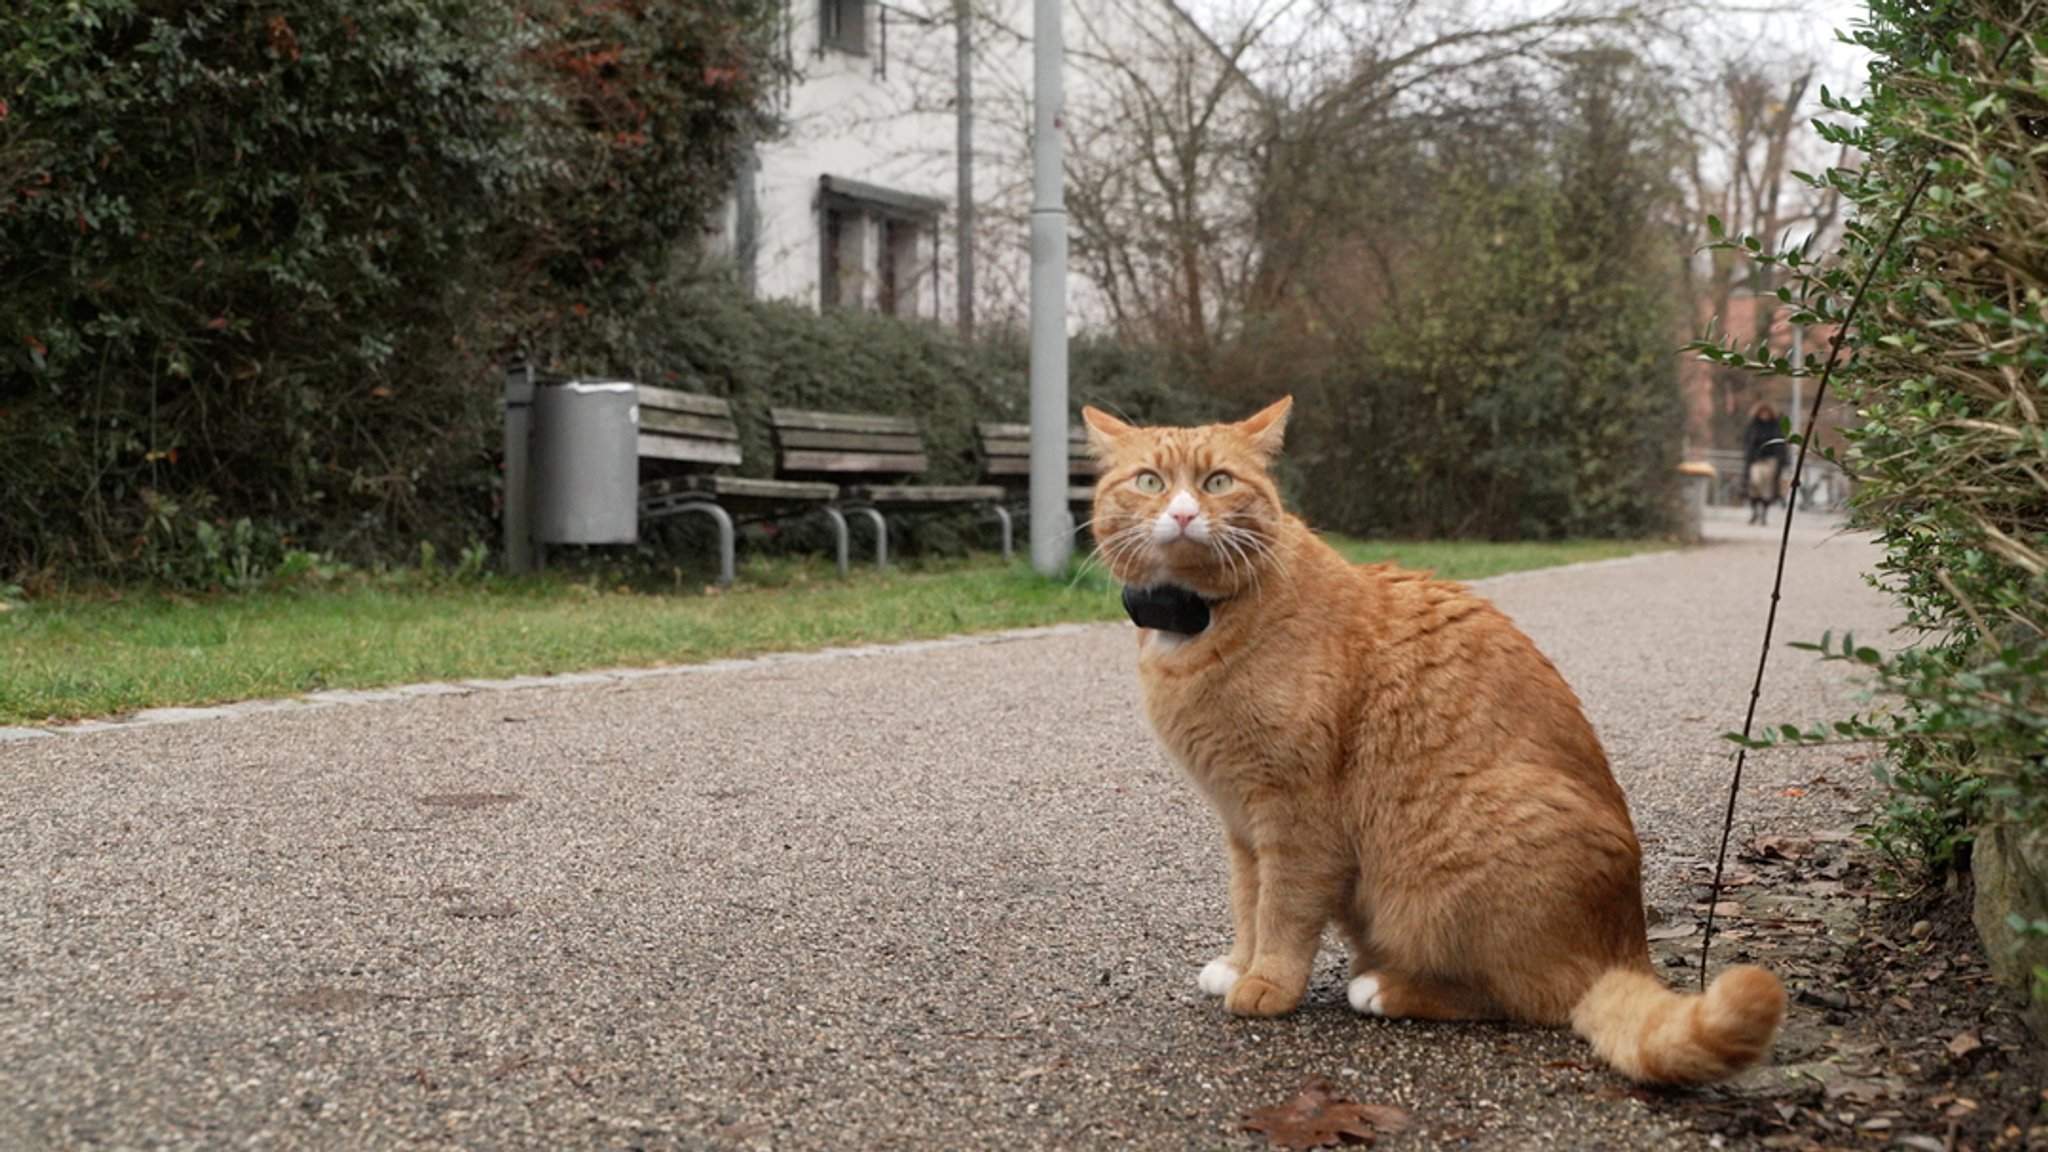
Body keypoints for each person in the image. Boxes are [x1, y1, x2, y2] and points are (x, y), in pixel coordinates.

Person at [1742, 401, 1791, 525]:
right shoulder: (1753, 426)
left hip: (1771, 460)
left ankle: (1763, 513)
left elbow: (1781, 445)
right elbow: (1748, 442)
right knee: (1754, 483)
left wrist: (1783, 460)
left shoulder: (1775, 427)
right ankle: (1754, 511)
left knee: (1767, 488)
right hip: (1757, 460)